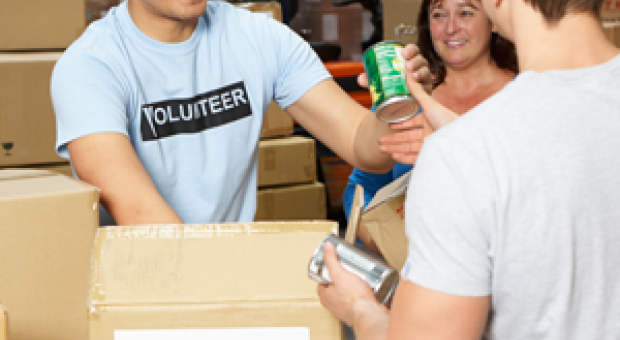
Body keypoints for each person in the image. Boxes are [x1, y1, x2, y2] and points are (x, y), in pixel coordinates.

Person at [318, 0, 620, 339]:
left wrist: (360, 308)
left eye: (465, 11)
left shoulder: (462, 153)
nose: (451, 27)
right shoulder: (466, 145)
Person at [51, 0, 431, 226]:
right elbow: (139, 216)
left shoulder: (259, 36)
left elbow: (364, 149)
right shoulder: (91, 66)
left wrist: (395, 106)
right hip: (140, 282)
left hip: (231, 270)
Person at [343, 0, 517, 255]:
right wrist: (384, 244)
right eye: (439, 15)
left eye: (465, 13)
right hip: (420, 273)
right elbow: (361, 188)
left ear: (493, 20)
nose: (450, 28)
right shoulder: (405, 100)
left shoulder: (525, 96)